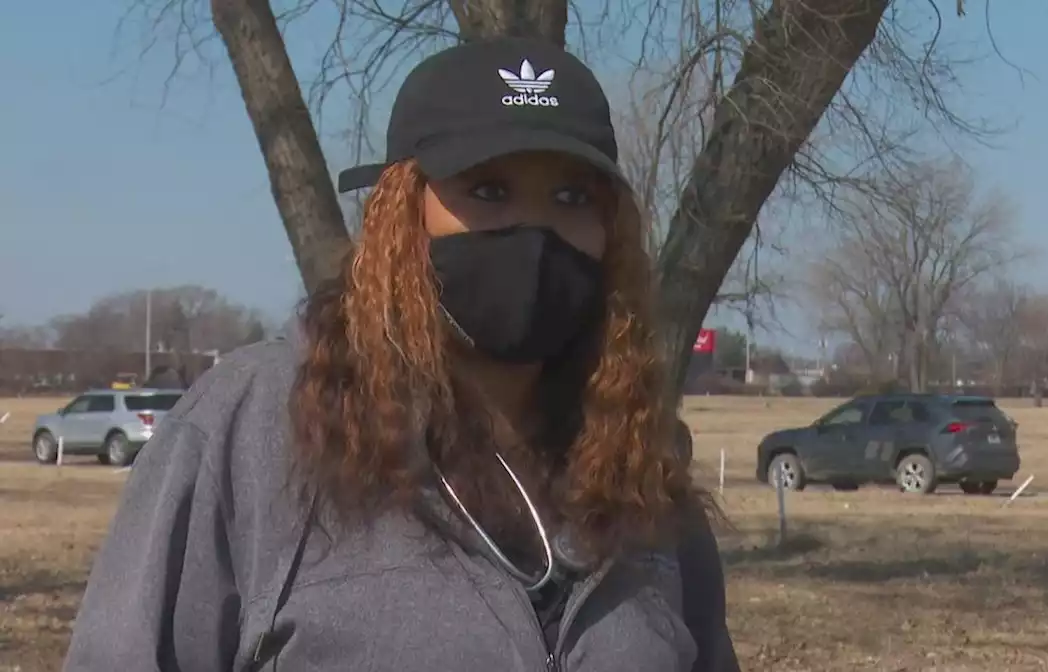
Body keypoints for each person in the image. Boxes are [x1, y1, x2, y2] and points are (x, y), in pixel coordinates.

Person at [64, 37, 738, 672]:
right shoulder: (251, 426)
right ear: (401, 215)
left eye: (570, 198)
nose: (532, 231)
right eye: (488, 190)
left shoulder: (643, 466)